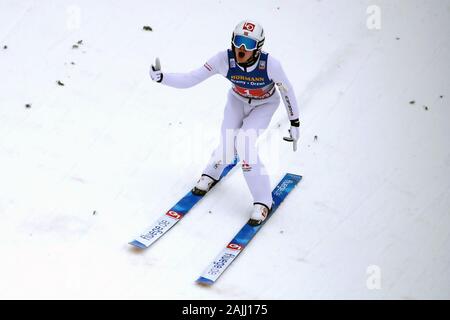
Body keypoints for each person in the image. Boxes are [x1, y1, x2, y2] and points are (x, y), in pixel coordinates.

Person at [149, 20, 300, 226]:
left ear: (258, 47)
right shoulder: (223, 60)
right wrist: (162, 78)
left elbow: (286, 91)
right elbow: (191, 78)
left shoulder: (271, 65)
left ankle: (263, 201)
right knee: (228, 140)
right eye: (239, 41)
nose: (242, 48)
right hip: (237, 100)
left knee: (244, 143)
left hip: (264, 105)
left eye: (248, 43)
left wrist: (295, 122)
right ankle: (212, 171)